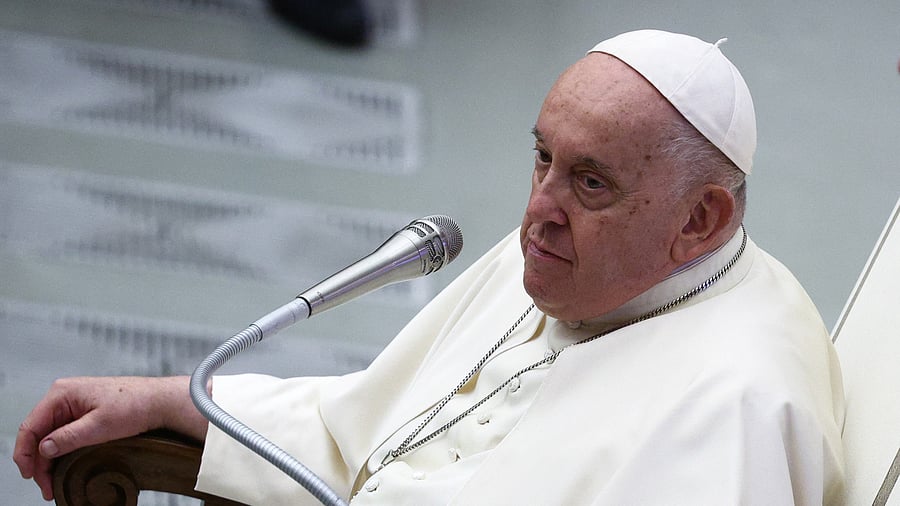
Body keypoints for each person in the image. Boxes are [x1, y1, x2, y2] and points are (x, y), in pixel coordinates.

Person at [14, 29, 845, 505]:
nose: (538, 210)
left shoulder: (735, 415)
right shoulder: (579, 255)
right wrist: (173, 402)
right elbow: (370, 435)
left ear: (700, 219)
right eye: (541, 157)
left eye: (591, 182)